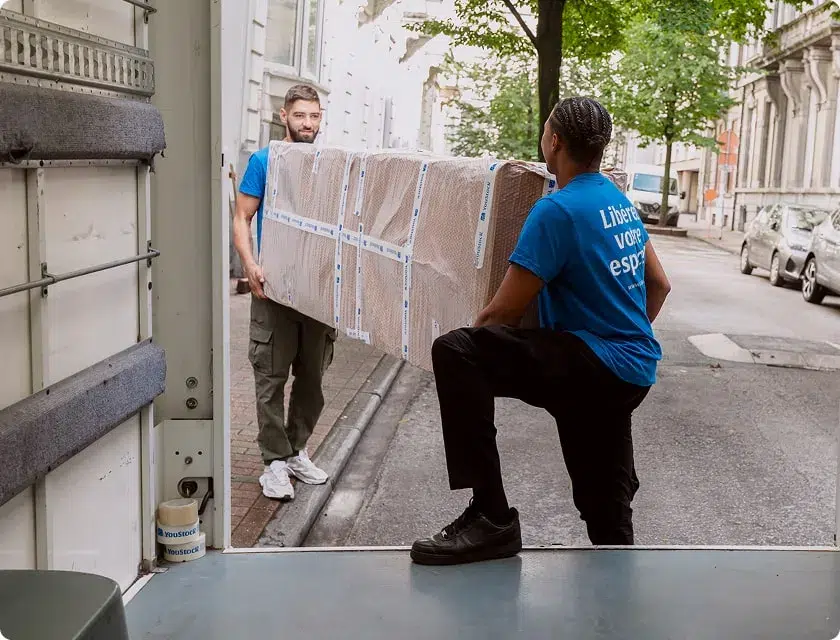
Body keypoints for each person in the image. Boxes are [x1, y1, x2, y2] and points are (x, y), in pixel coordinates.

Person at [410, 97, 672, 566]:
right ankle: (617, 581)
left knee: (455, 351)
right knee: (605, 508)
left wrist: (469, 361)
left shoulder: (557, 210)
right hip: (632, 371)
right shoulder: (619, 202)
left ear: (554, 141)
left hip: (594, 364)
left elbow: (502, 314)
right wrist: (618, 337)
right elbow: (659, 284)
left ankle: (490, 517)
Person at [233, 84, 334, 501]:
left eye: (314, 116)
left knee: (312, 379)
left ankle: (295, 451)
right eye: (300, 115)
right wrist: (249, 264)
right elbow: (242, 216)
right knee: (270, 378)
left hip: (317, 292)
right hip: (273, 289)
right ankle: (273, 462)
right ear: (284, 116)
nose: (307, 124)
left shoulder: (330, 166)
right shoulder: (264, 161)